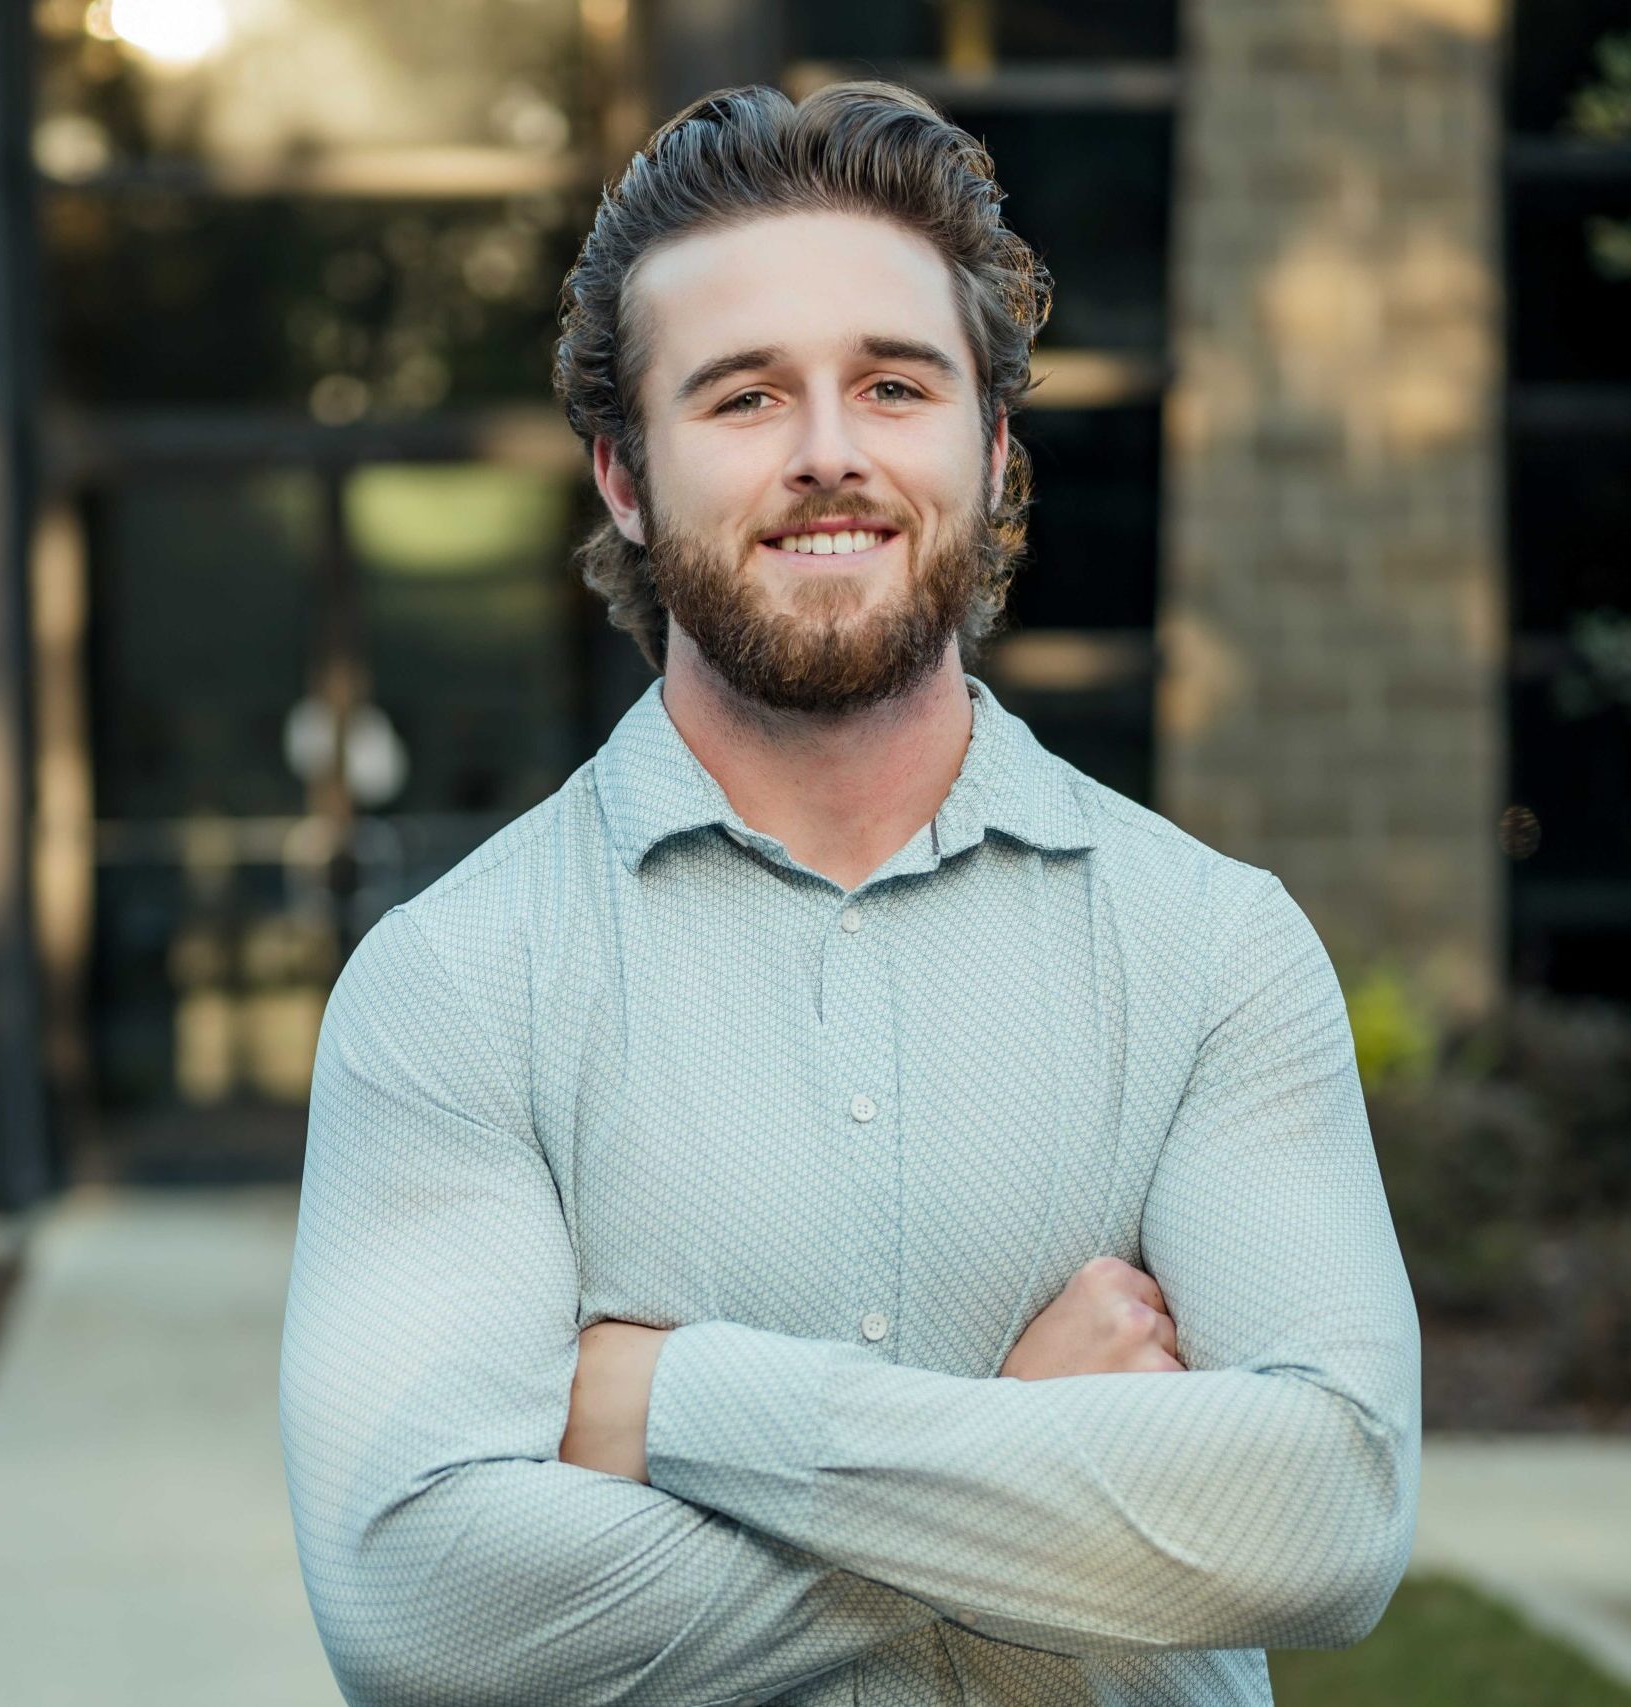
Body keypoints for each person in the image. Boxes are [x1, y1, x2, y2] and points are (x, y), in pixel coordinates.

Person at [279, 81, 1421, 1707]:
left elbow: (1331, 1512)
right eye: (743, 398)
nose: (829, 455)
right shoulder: (457, 982)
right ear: (622, 472)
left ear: (991, 445)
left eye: (893, 385)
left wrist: (673, 1405)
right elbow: (422, 1609)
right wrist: (1028, 1450)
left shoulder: (1213, 948)